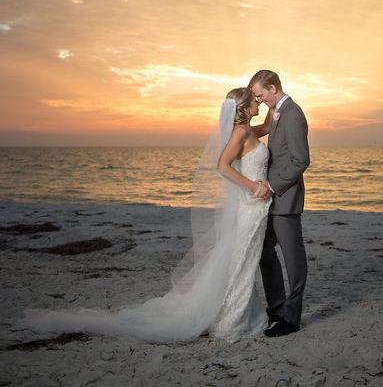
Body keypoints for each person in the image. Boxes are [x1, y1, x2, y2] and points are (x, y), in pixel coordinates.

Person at [18, 88, 275, 343]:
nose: (259, 103)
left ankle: (235, 312)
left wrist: (278, 105)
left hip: (253, 206)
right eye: (255, 101)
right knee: (240, 261)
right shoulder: (240, 132)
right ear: (243, 108)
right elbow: (222, 165)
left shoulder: (247, 130)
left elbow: (266, 126)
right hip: (250, 203)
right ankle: (230, 321)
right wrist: (253, 186)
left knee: (243, 260)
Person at [249, 69, 310, 338]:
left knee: (293, 259)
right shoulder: (276, 112)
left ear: (273, 88)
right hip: (272, 199)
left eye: (261, 95)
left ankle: (292, 318)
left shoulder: (293, 114)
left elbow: (300, 160)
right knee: (263, 250)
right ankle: (277, 307)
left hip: (285, 199)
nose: (260, 101)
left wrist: (273, 187)